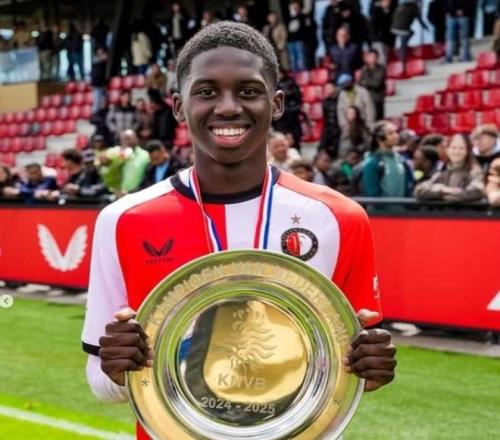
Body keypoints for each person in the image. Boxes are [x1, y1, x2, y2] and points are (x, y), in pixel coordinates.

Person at [82, 26, 396, 438]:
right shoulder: (124, 220)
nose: (228, 107)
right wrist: (117, 370)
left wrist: (370, 369)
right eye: (206, 92)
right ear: (178, 106)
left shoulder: (338, 218)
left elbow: (346, 373)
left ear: (276, 103)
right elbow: (99, 380)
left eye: (248, 91)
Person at [415, 133, 485, 202]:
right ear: (447, 150)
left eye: (461, 148)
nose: (457, 151)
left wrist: (442, 197)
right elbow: (419, 190)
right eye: (453, 148)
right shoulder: (443, 170)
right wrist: (443, 190)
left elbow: (477, 191)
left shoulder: (475, 171)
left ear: (467, 151)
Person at [361, 120, 414, 197]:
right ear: (379, 137)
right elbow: (372, 193)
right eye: (390, 133)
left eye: (396, 132)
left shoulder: (402, 160)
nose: (396, 136)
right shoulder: (373, 163)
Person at [98, 129, 150, 197]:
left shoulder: (145, 155)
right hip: (118, 194)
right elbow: (102, 166)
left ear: (136, 139)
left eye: (128, 138)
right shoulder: (113, 153)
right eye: (124, 139)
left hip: (138, 194)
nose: (126, 141)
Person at [391, 0, 428, 71]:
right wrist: (425, 27)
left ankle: (401, 51)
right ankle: (403, 63)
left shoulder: (403, 5)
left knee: (411, 33)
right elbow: (419, 20)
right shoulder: (414, 7)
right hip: (403, 29)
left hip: (394, 28)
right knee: (404, 46)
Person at [272, 69, 302, 150]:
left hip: (292, 118)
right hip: (280, 120)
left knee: (295, 144)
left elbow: (298, 98)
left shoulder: (291, 82)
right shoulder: (273, 85)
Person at [359, 49, 386, 121]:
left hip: (377, 99)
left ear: (377, 58)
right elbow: (360, 83)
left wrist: (366, 82)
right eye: (370, 57)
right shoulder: (364, 69)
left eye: (374, 57)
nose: (372, 59)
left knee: (378, 120)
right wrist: (367, 82)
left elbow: (377, 83)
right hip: (367, 99)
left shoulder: (381, 69)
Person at [371, 0, 398, 64]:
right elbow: (375, 24)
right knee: (381, 60)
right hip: (378, 39)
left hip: (389, 40)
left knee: (386, 59)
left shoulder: (393, 10)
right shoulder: (376, 10)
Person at [319, 81, 341, 158]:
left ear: (334, 88)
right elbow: (325, 117)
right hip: (328, 128)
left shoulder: (341, 100)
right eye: (326, 89)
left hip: (339, 128)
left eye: (329, 88)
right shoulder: (325, 102)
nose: (328, 90)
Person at [287, 1, 308, 71]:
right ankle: (295, 75)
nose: (294, 9)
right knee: (293, 59)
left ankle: (302, 74)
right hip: (291, 42)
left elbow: (305, 29)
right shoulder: (289, 17)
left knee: (301, 59)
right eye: (293, 7)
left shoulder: (303, 16)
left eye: (296, 7)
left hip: (299, 41)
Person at [90, 47, 109, 115]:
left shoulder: (103, 63)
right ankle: (94, 116)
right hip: (96, 84)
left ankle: (101, 115)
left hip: (103, 83)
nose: (100, 51)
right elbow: (103, 58)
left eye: (101, 50)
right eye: (99, 50)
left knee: (104, 101)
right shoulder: (95, 59)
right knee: (97, 102)